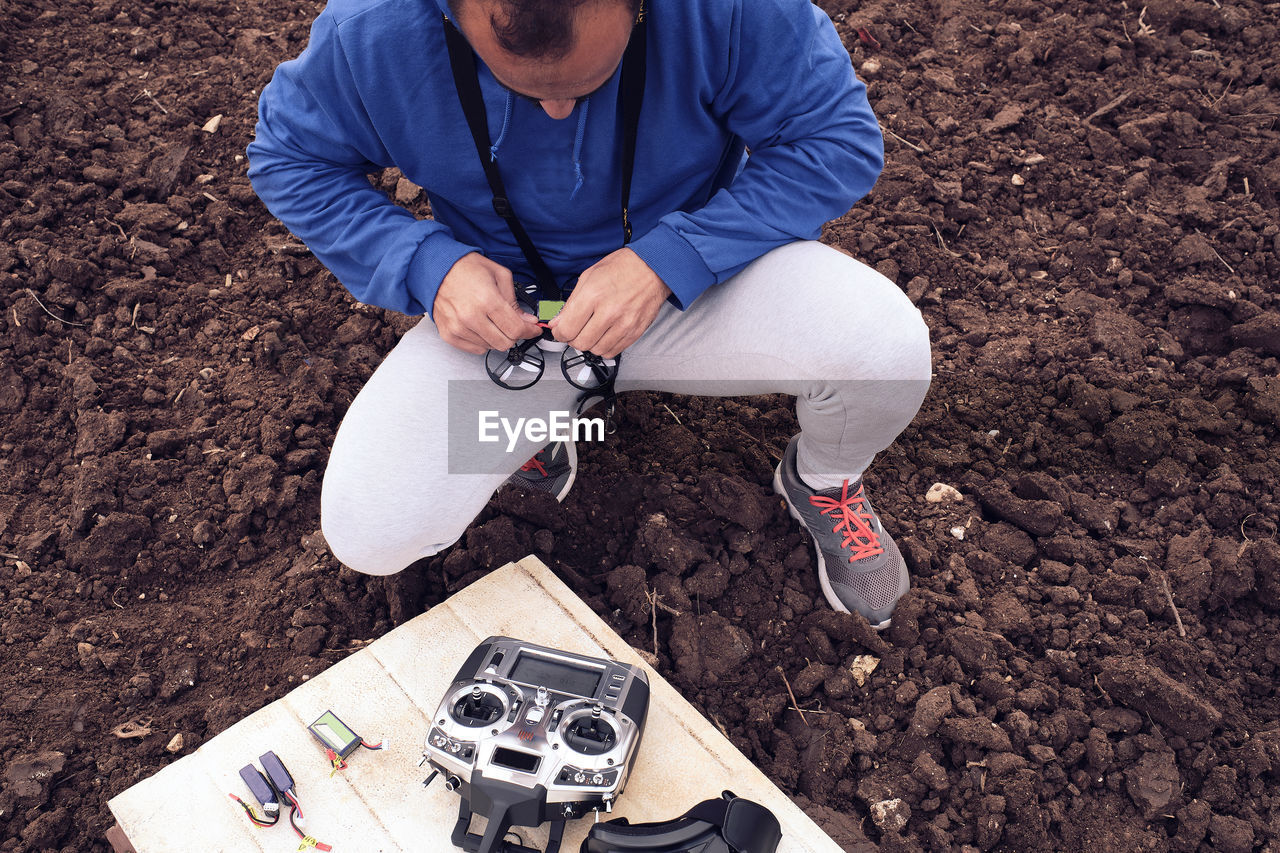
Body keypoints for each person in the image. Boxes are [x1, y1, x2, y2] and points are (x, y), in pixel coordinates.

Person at [247, 0, 932, 628]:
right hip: (516, 321)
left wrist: (670, 260)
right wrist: (426, 263)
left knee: (883, 351)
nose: (555, 113)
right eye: (520, 85)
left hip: (700, 288)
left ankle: (823, 479)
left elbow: (835, 139)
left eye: (588, 83)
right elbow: (290, 158)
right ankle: (540, 420)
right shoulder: (374, 27)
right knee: (372, 525)